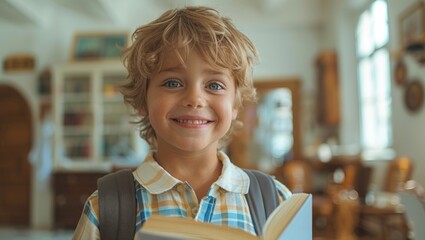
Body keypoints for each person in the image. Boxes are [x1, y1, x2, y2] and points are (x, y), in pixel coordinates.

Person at [73, 6, 291, 239]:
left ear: (236, 106)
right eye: (173, 83)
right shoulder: (106, 207)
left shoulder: (275, 200)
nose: (194, 99)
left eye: (214, 85)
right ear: (143, 100)